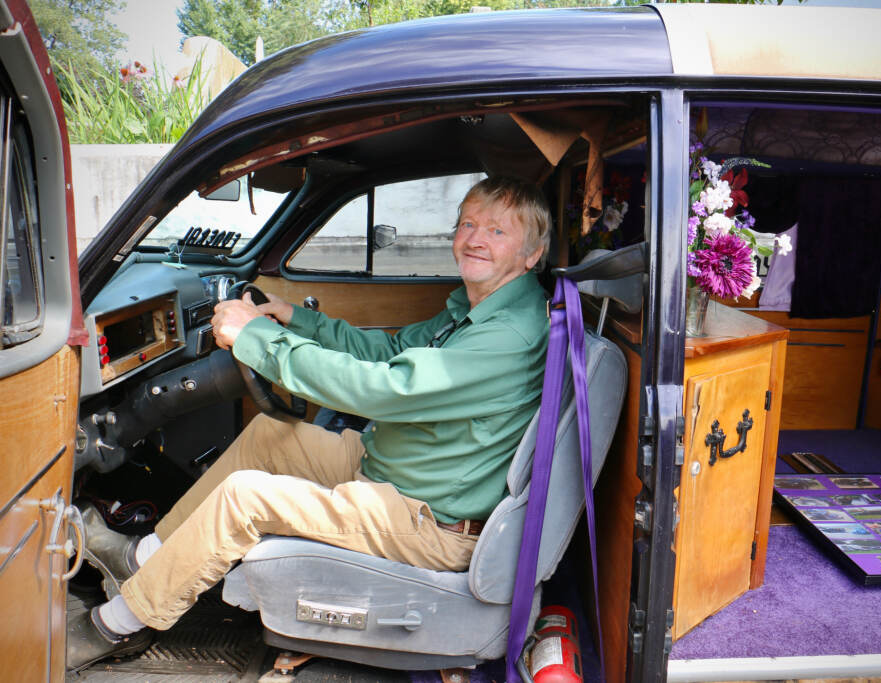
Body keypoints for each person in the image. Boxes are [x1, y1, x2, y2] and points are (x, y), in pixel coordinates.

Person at [68, 176, 552, 670]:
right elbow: (389, 352)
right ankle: (143, 559)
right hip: (397, 469)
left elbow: (382, 389)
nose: (474, 239)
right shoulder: (477, 312)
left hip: (426, 518)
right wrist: (294, 319)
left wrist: (256, 338)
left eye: (496, 231)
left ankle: (117, 625)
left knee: (245, 498)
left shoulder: (505, 337)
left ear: (532, 253)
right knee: (269, 435)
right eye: (467, 224)